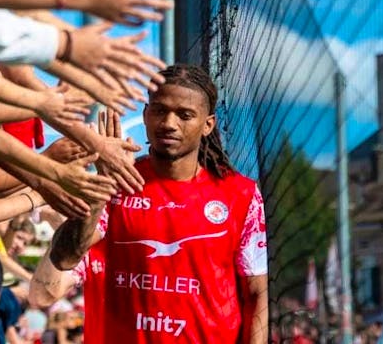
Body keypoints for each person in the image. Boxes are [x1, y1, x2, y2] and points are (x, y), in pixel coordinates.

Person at [46, 64, 269, 343]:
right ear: (145, 114)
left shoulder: (241, 194)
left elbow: (257, 294)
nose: (169, 123)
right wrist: (101, 184)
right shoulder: (116, 186)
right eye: (160, 110)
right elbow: (65, 256)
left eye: (185, 115)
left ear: (207, 124)